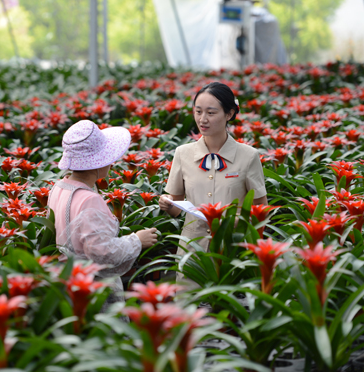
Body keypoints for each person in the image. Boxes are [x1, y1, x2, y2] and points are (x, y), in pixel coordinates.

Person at [158, 82, 268, 277]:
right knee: (188, 305)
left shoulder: (248, 156)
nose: (202, 119)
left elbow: (260, 211)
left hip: (233, 253)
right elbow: (176, 210)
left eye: (211, 113)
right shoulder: (183, 153)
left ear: (229, 114)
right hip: (191, 252)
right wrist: (167, 204)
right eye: (198, 111)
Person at [48, 120, 158, 307]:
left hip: (65, 279)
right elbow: (102, 253)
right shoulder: (90, 199)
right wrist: (137, 240)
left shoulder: (59, 187)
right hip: (92, 287)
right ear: (98, 162)